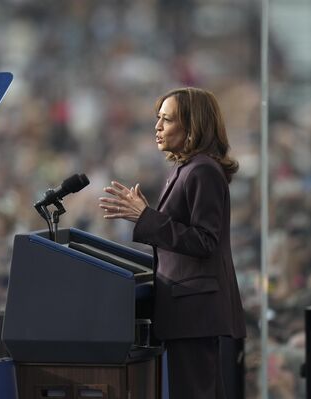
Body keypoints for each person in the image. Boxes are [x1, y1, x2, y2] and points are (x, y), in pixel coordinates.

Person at [99, 87, 246, 398]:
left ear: (192, 126)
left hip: (195, 310)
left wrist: (146, 218)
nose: (157, 127)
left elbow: (205, 240)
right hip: (187, 310)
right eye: (158, 119)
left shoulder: (203, 170)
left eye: (167, 119)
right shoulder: (185, 168)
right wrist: (145, 216)